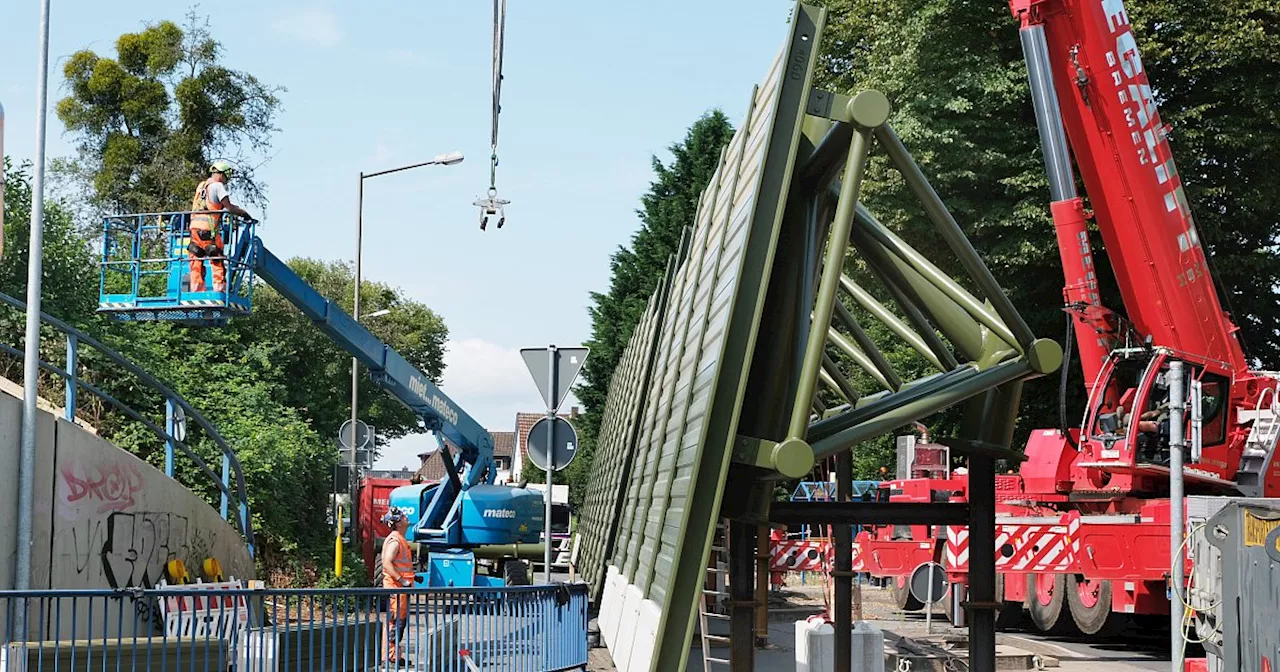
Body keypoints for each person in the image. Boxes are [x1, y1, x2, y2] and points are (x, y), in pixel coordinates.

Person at [188, 160, 252, 293]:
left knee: (196, 260)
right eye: (226, 177)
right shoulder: (217, 186)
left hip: (194, 229)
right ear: (222, 174)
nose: (226, 181)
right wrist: (243, 213)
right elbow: (229, 207)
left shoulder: (201, 186)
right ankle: (220, 290)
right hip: (207, 230)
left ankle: (197, 290)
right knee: (216, 257)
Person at [381, 507, 414, 668]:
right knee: (395, 624)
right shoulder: (395, 540)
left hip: (400, 589)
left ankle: (393, 656)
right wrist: (402, 579)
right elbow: (387, 563)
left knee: (398, 623)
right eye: (403, 516)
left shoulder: (399, 538)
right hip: (396, 589)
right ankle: (389, 657)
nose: (406, 517)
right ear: (397, 522)